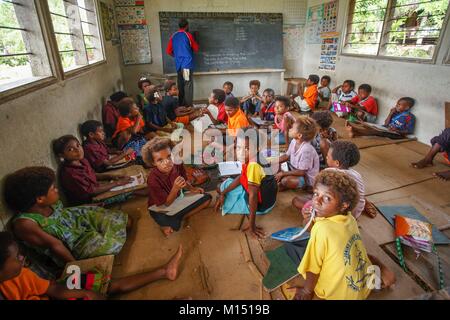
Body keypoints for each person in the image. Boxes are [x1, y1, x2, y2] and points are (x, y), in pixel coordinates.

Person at [290, 170, 396, 300]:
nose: (316, 201)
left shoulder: (321, 228)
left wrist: (306, 291)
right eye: (316, 194)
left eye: (327, 198)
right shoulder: (349, 217)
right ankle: (381, 270)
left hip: (340, 295)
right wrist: (308, 220)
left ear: (343, 205)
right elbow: (322, 232)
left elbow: (313, 268)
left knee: (293, 249)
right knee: (361, 255)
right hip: (361, 290)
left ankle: (379, 269)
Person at [0, 231, 184, 300]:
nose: (23, 258)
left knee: (102, 286)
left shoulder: (20, 275)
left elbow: (53, 288)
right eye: (17, 257)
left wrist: (85, 293)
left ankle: (164, 272)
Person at [4, 167, 130, 264]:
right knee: (110, 247)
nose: (57, 190)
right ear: (40, 199)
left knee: (125, 220)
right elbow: (55, 245)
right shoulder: (25, 224)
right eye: (53, 188)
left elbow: (63, 213)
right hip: (75, 245)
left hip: (78, 223)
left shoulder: (48, 204)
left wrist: (85, 207)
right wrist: (77, 266)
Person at [215, 128, 278, 239]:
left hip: (262, 206)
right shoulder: (253, 158)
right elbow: (241, 177)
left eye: (247, 148)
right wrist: (223, 193)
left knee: (221, 188)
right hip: (268, 198)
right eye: (239, 148)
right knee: (222, 187)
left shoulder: (253, 165)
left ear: (258, 148)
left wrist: (252, 226)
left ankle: (249, 216)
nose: (241, 153)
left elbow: (253, 196)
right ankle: (224, 192)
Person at [143, 138, 212, 237]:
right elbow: (165, 204)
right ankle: (172, 219)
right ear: (153, 163)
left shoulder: (177, 163)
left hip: (178, 199)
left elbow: (184, 180)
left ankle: (179, 218)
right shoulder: (152, 179)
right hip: (161, 207)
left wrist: (192, 189)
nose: (166, 162)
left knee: (207, 198)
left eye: (168, 156)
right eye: (160, 160)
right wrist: (175, 189)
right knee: (161, 217)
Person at [53, 135, 132, 206]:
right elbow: (91, 191)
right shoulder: (70, 173)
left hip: (97, 189)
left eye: (78, 145)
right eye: (70, 149)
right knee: (129, 193)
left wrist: (111, 176)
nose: (78, 150)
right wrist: (117, 183)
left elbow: (93, 174)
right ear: (61, 155)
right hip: (90, 202)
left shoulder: (82, 161)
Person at [276, 117, 319, 191]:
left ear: (299, 135)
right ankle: (281, 182)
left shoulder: (306, 149)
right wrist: (274, 161)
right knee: (275, 162)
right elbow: (287, 155)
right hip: (293, 169)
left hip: (305, 178)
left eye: (292, 128)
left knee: (285, 181)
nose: (290, 129)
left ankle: (299, 185)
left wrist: (283, 173)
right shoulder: (294, 141)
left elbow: (302, 172)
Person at [345, 97, 415, 139]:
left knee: (377, 132)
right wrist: (390, 114)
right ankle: (355, 133)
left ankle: (355, 130)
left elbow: (409, 131)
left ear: (407, 107)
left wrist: (397, 130)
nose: (396, 106)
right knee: (369, 126)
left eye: (399, 105)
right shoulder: (395, 113)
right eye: (397, 104)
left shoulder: (410, 117)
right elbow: (386, 123)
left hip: (397, 134)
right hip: (387, 128)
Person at [166, 18, 199, 106]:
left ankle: (181, 105)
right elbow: (196, 49)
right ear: (187, 26)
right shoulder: (188, 35)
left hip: (179, 66)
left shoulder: (174, 35)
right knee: (187, 85)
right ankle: (188, 106)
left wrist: (176, 56)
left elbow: (168, 51)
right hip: (186, 66)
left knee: (180, 85)